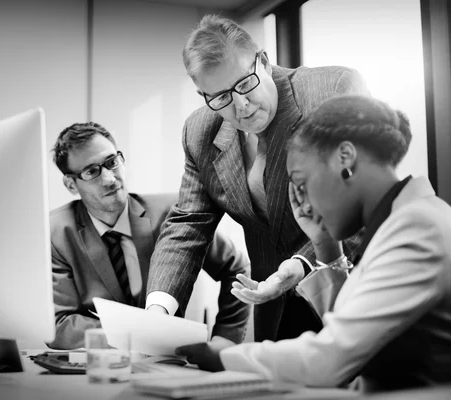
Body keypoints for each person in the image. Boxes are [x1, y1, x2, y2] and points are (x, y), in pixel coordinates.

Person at [175, 94, 451, 392]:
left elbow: (332, 359)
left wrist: (225, 355)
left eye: (302, 183)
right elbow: (353, 333)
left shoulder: (416, 227)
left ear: (345, 158)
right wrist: (324, 245)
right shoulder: (403, 221)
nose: (303, 206)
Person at [146, 14, 370, 342]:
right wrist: (158, 311)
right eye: (220, 97)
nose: (241, 105)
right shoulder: (199, 132)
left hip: (356, 290)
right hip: (275, 307)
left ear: (263, 61)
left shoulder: (332, 92)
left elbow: (361, 200)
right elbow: (188, 224)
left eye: (244, 84)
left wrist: (299, 265)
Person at [46, 122, 251, 350]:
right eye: (92, 171)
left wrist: (225, 338)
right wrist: (136, 332)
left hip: (173, 361)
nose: (109, 179)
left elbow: (236, 268)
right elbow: (58, 325)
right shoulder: (56, 233)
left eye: (111, 163)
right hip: (100, 365)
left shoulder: (174, 213)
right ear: (71, 184)